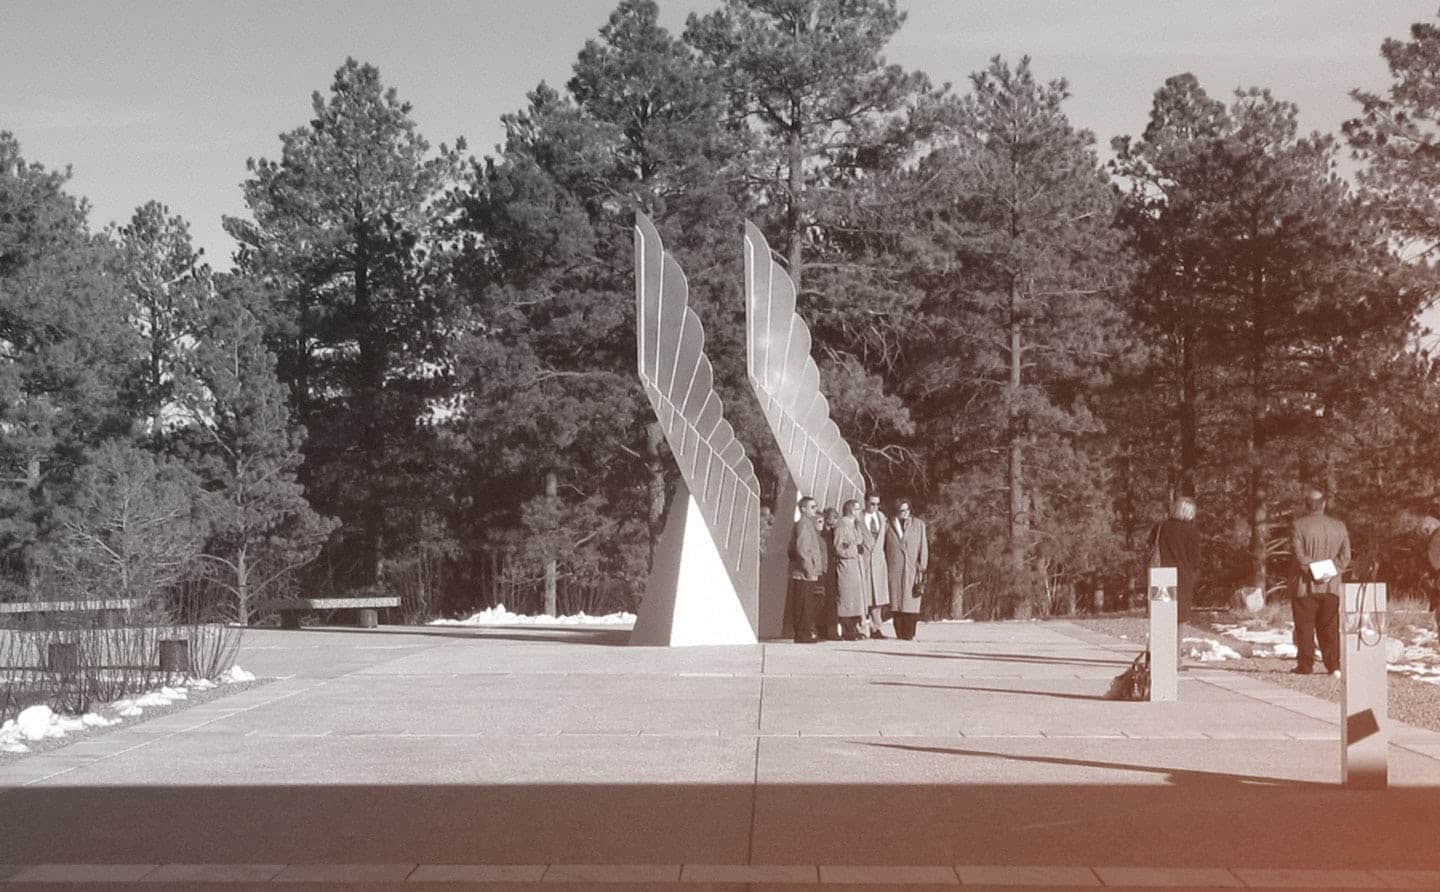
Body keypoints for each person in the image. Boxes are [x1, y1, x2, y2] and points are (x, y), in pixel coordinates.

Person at [1290, 486, 1351, 676]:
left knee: (1305, 627)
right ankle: (1333, 665)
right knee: (1330, 627)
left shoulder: (1298, 525)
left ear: (1307, 504)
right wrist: (1330, 571)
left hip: (1304, 586)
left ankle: (1305, 665)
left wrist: (1314, 571)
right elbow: (1346, 556)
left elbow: (1298, 555)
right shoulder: (1339, 526)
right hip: (1331, 586)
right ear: (1324, 503)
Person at [1147, 495, 1201, 624]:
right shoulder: (1191, 531)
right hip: (1183, 576)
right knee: (1180, 617)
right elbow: (1195, 557)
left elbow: (1150, 546)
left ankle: (1162, 643)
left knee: (1162, 616)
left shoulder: (1160, 527)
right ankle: (1177, 644)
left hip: (1162, 574)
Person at [884, 498, 929, 640]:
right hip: (894, 568)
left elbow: (923, 546)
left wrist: (922, 566)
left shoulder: (918, 525)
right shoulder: (888, 525)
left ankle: (910, 633)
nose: (904, 513)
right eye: (901, 510)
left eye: (907, 510)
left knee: (911, 601)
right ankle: (899, 632)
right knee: (896, 601)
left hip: (912, 568)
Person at [788, 496, 826, 644]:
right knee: (804, 603)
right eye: (812, 507)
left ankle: (804, 633)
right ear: (803, 509)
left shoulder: (808, 524)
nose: (815, 510)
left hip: (807, 571)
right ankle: (803, 634)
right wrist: (809, 569)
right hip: (804, 573)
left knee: (806, 603)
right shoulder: (804, 524)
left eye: (816, 507)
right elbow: (803, 549)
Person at [832, 499, 867, 641]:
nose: (860, 512)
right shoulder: (842, 526)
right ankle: (847, 629)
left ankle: (855, 627)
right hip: (847, 566)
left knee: (856, 599)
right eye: (858, 509)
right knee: (847, 598)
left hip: (856, 566)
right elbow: (838, 547)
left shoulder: (855, 526)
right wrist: (854, 549)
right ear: (852, 511)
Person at [859, 492, 891, 639]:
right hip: (864, 561)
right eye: (872, 504)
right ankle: (860, 628)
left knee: (878, 598)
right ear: (865, 502)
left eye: (878, 504)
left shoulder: (882, 518)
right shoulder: (858, 518)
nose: (875, 507)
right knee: (863, 597)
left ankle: (876, 628)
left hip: (878, 562)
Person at [817, 507, 842, 641]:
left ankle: (831, 631)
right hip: (824, 570)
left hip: (832, 570)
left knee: (832, 600)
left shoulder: (833, 533)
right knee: (823, 600)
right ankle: (823, 630)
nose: (836, 520)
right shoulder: (822, 534)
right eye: (834, 517)